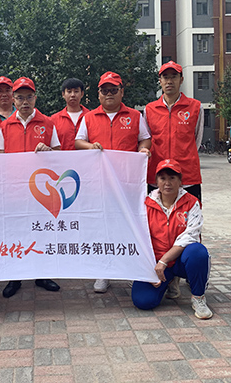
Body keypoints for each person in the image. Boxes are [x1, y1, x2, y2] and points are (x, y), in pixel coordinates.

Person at [75, 71, 151, 293]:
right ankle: (103, 271)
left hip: (127, 183)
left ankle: (130, 269)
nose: (109, 94)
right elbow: (78, 141)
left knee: (129, 225)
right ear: (98, 94)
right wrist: (91, 147)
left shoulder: (134, 116)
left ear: (121, 92)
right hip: (99, 184)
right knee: (102, 227)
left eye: (113, 90)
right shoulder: (89, 117)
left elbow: (145, 139)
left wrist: (143, 149)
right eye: (105, 90)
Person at [144, 61, 204, 300]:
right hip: (158, 177)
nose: (169, 81)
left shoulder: (195, 107)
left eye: (174, 76)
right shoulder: (149, 110)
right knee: (158, 228)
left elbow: (196, 140)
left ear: (181, 79)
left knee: (188, 227)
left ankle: (183, 273)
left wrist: (182, 164)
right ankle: (164, 273)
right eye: (165, 77)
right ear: (160, 81)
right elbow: (148, 140)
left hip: (187, 176)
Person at [0, 77, 61, 298]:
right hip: (15, 189)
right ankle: (15, 276)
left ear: (35, 98)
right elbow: (0, 157)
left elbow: (58, 154)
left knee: (41, 230)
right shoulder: (6, 125)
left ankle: (42, 274)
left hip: (41, 189)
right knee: (17, 231)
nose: (25, 101)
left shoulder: (47, 123)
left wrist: (49, 151)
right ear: (13, 99)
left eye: (29, 97)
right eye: (20, 97)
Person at [131, 159, 212, 320]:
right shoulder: (145, 204)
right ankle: (168, 280)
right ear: (156, 182)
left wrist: (164, 260)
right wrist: (147, 270)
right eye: (162, 178)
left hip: (180, 260)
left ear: (180, 181)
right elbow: (139, 239)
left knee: (198, 252)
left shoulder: (192, 203)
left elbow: (190, 236)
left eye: (172, 178)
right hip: (157, 263)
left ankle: (198, 297)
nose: (167, 183)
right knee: (143, 301)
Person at [51, 78, 90, 151]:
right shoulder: (54, 119)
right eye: (69, 92)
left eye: (76, 91)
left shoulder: (91, 117)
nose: (73, 95)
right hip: (62, 158)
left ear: (82, 94)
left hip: (87, 158)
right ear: (63, 94)